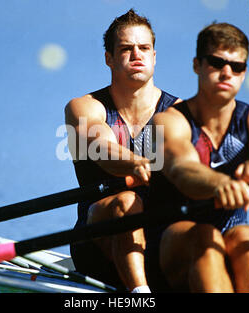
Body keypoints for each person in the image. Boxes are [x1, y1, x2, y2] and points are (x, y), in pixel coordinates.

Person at [146, 22, 249, 292]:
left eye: (237, 67)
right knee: (205, 236)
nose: (227, 73)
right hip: (170, 246)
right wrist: (219, 184)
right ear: (197, 65)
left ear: (244, 73)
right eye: (216, 62)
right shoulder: (169, 122)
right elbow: (182, 169)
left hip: (232, 239)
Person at [65, 9, 180, 293]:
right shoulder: (85, 107)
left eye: (144, 48)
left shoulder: (180, 113)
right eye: (126, 49)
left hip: (159, 246)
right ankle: (140, 294)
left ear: (155, 56)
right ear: (109, 58)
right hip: (95, 245)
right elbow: (101, 148)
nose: (137, 55)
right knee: (127, 202)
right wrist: (137, 163)